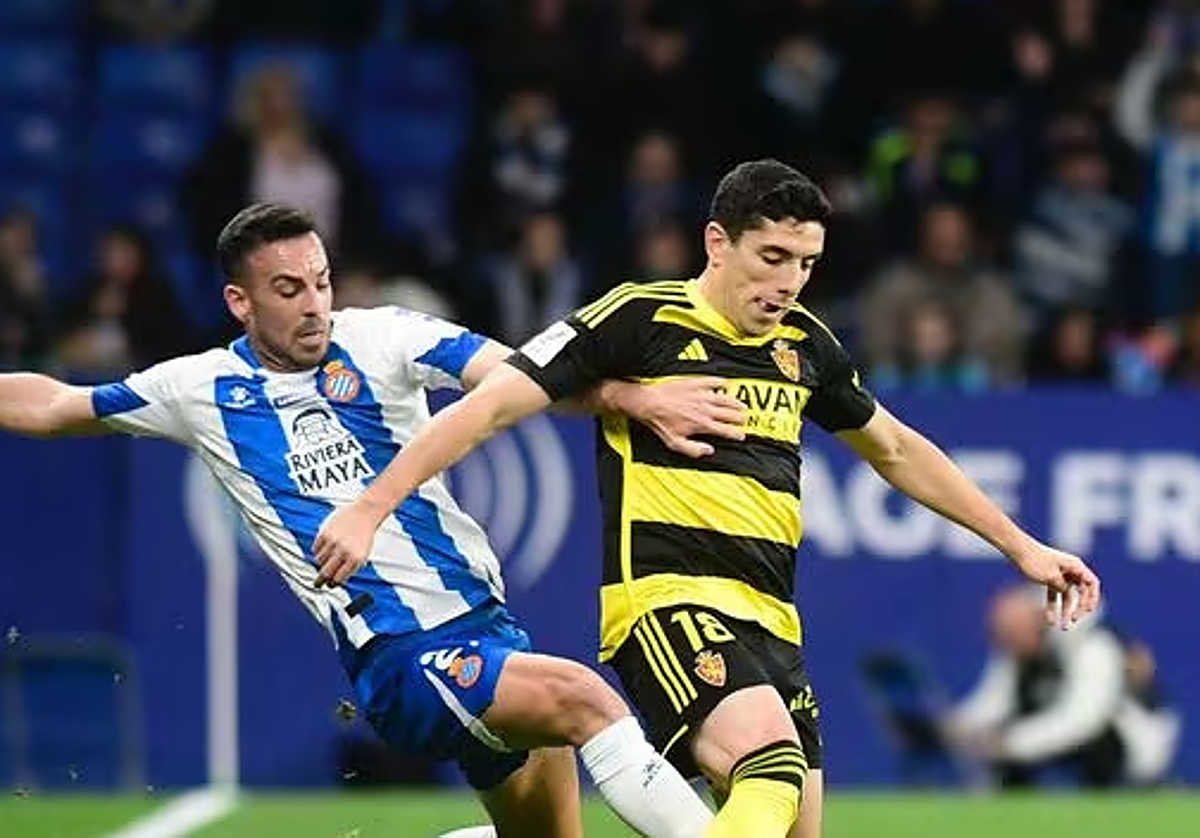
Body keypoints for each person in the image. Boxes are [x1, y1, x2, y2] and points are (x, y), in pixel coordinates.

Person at [314, 159, 1103, 838]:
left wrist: (1023, 547)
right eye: (773, 257)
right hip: (668, 602)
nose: (788, 282)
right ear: (718, 243)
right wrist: (371, 508)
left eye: (807, 263)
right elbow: (487, 407)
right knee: (771, 764)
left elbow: (894, 449)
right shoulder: (638, 318)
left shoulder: (805, 345)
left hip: (772, 621)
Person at [0, 203, 749, 838]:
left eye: (321, 282)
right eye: (287, 289)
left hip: (488, 628)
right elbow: (57, 405)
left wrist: (634, 398)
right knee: (584, 699)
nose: (313, 304)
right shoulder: (200, 388)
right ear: (240, 302)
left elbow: (522, 378)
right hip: (402, 656)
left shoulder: (385, 336)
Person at [944, 584, 1180, 789]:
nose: (1004, 642)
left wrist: (1010, 743)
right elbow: (994, 702)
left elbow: (1083, 721)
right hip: (1055, 732)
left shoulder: (1095, 646)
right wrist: (957, 728)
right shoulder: (1019, 650)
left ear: (1039, 620)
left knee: (1097, 746)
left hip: (1126, 745)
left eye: (1011, 633)